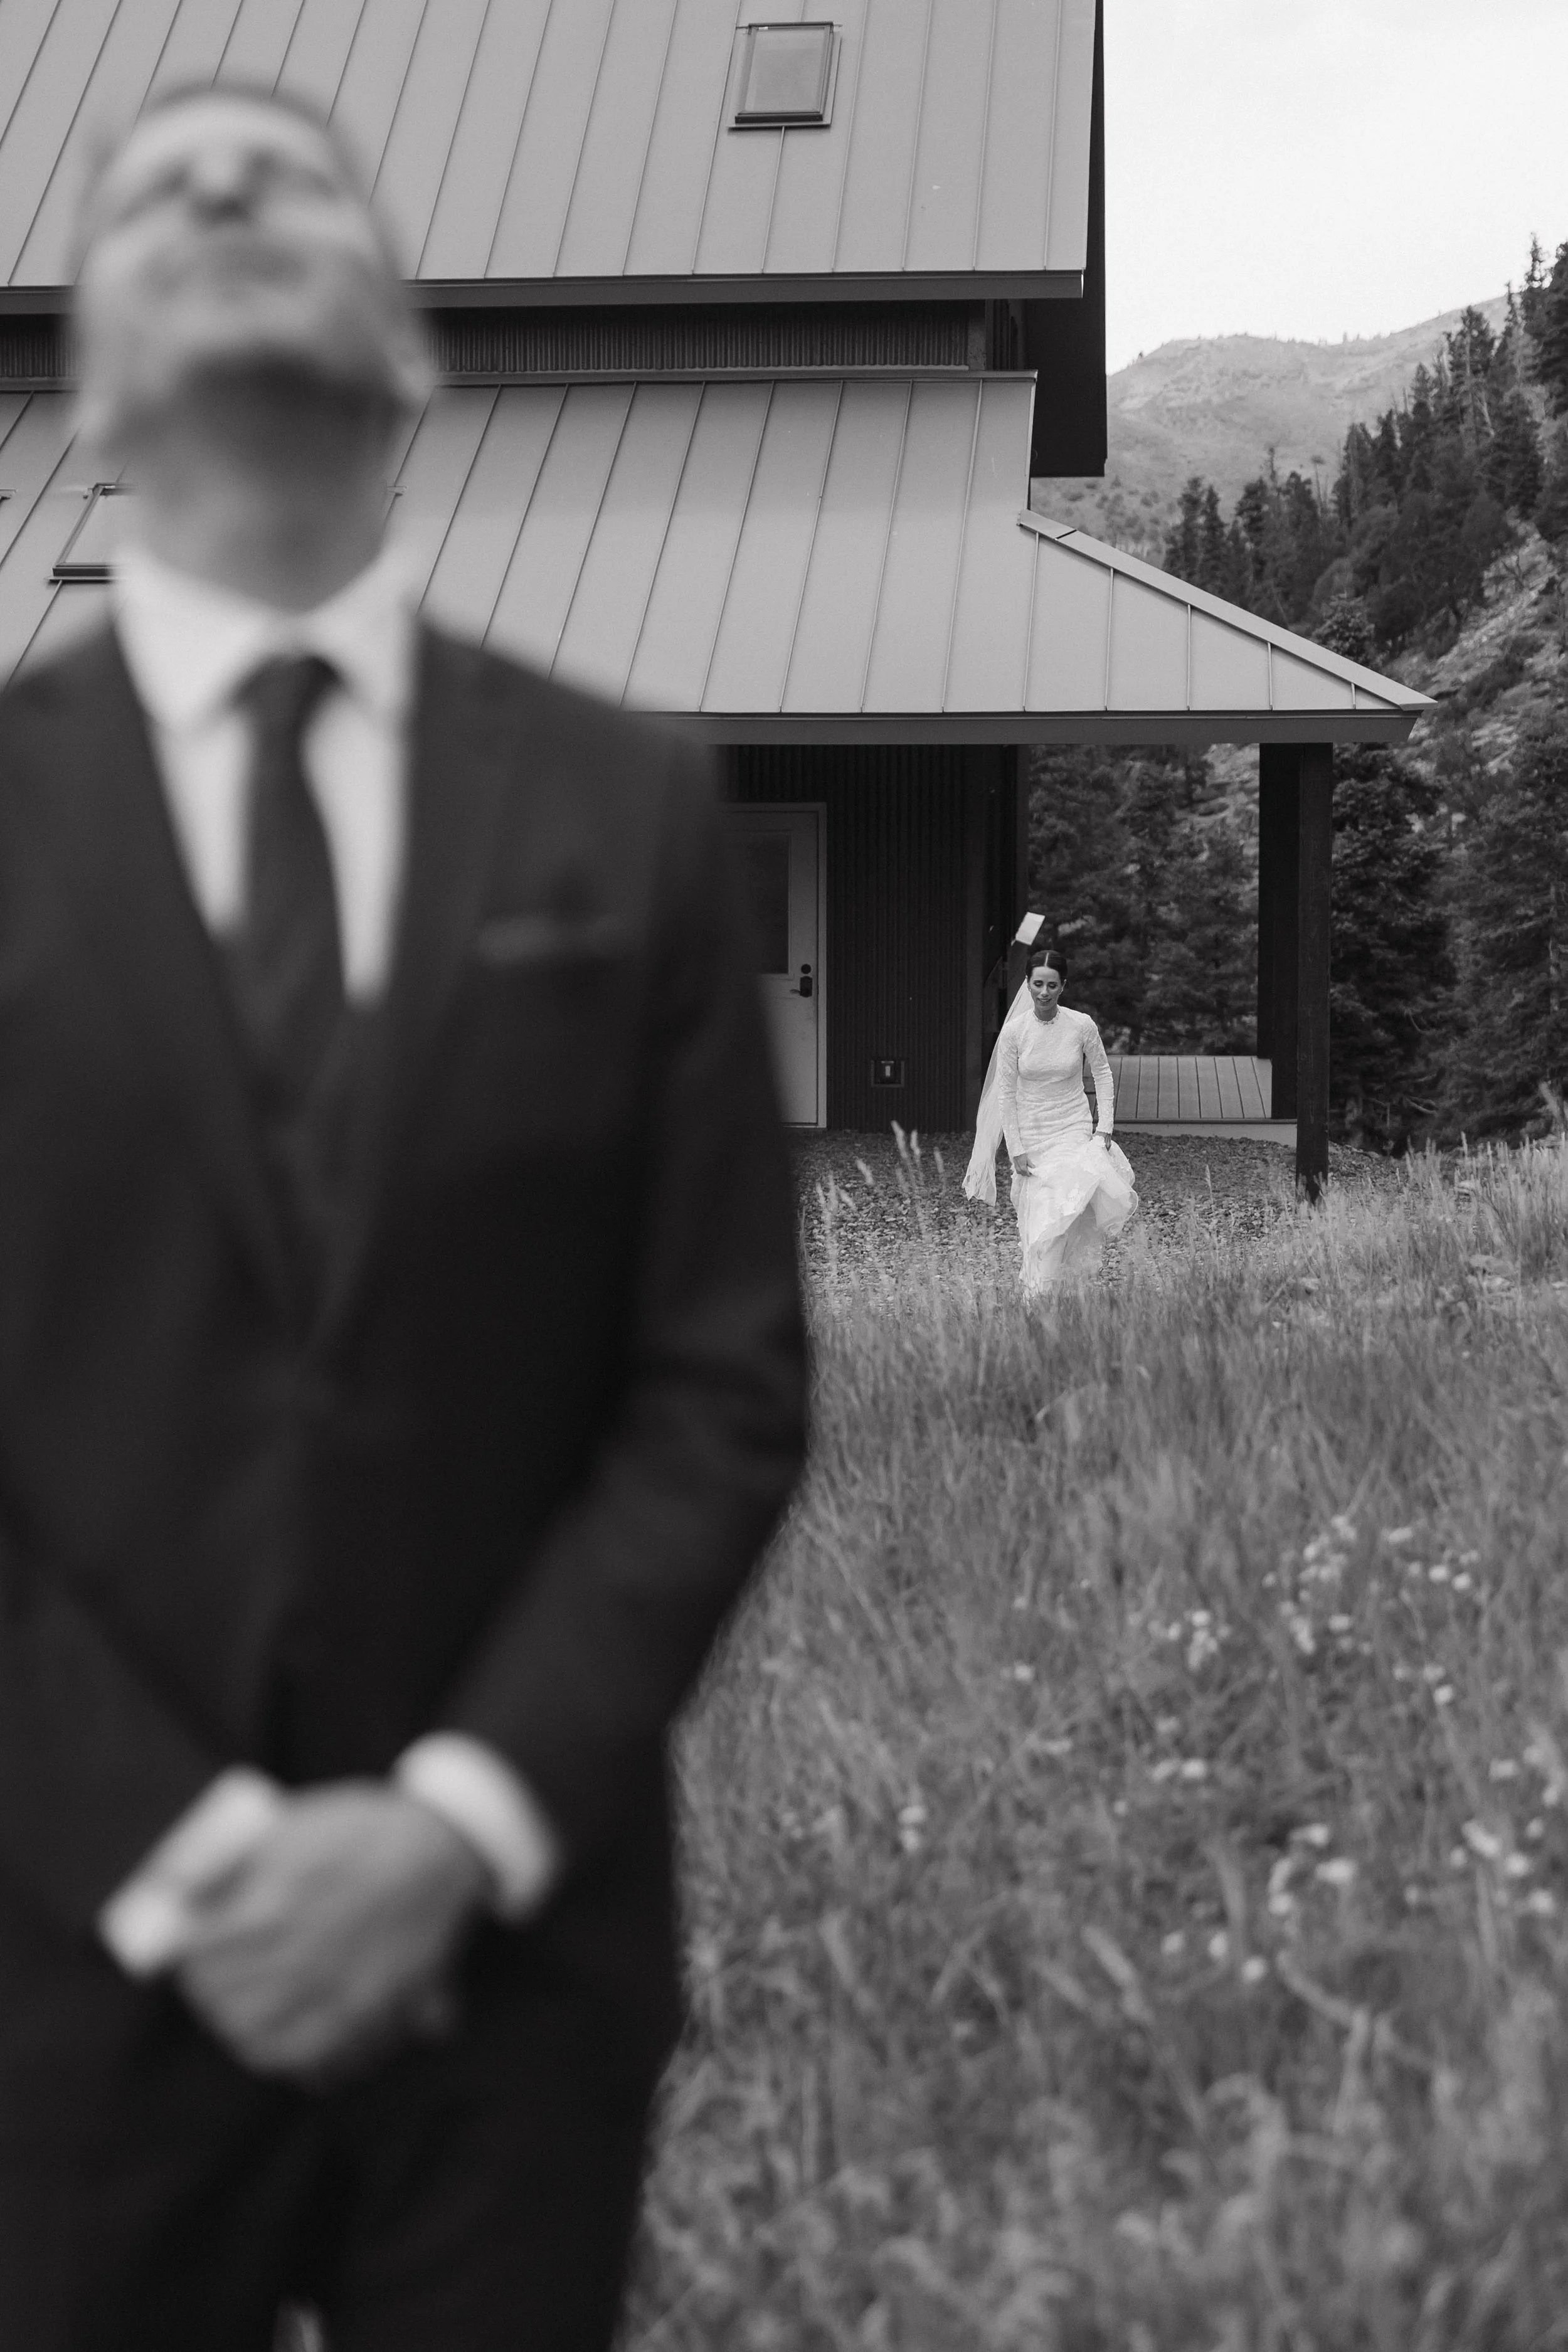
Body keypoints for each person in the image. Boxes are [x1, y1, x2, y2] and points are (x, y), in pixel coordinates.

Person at [0, 83, 807, 2352]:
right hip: (60, 1964)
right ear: (86, 389)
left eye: (292, 178)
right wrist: (183, 1859)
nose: (229, 189)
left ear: (413, 351)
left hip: (515, 1966)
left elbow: (719, 1379)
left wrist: (450, 1818)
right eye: (157, 191)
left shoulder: (625, 806)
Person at [963, 942, 1138, 1293]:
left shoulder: (1081, 1025)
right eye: (1038, 984)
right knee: (1039, 1213)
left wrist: (1104, 1129)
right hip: (1031, 1132)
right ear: (1027, 984)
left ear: (1064, 987)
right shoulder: (1014, 1033)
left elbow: (1102, 1074)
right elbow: (1006, 1093)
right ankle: (1039, 1294)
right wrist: (1016, 1148)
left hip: (1072, 1126)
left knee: (1065, 1205)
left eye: (1052, 985)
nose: (1044, 992)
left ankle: (1050, 1293)